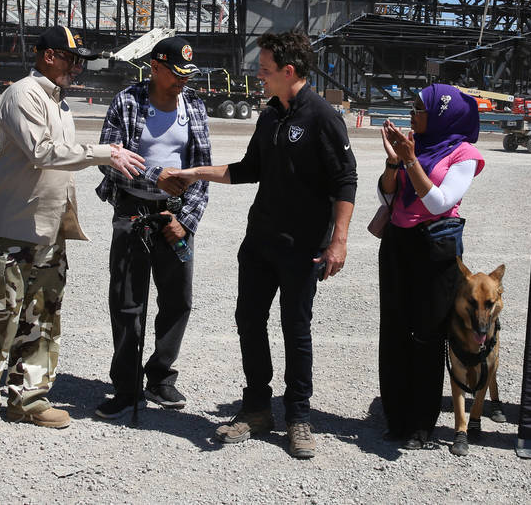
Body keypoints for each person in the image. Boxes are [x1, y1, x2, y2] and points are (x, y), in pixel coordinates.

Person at [0, 25, 145, 444]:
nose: (77, 67)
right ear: (46, 55)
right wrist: (104, 154)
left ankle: (29, 400)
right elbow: (41, 152)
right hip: (10, 230)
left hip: (47, 232)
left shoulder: (58, 103)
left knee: (41, 320)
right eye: (71, 59)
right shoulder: (24, 94)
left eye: (80, 61)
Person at [175, 30, 357, 460]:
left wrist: (339, 241)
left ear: (288, 71)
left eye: (265, 69)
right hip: (259, 244)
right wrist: (194, 173)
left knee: (296, 331)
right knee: (249, 322)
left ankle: (298, 417)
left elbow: (345, 181)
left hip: (301, 248)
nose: (258, 75)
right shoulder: (270, 115)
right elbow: (249, 169)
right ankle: (257, 408)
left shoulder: (322, 117)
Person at [92, 35, 212, 418]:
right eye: (176, 74)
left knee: (178, 301)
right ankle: (127, 388)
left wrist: (186, 220)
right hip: (132, 215)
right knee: (128, 305)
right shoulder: (127, 102)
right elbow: (111, 160)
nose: (183, 82)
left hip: (175, 217)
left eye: (187, 75)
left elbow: (202, 170)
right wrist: (156, 178)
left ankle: (160, 376)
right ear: (155, 67)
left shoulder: (193, 105)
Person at [376, 84, 485, 449]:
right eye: (412, 106)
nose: (412, 113)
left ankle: (422, 423)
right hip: (397, 244)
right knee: (393, 331)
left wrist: (409, 160)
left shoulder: (464, 154)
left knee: (426, 335)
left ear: (442, 113)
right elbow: (387, 195)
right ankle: (395, 416)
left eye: (419, 109)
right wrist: (395, 160)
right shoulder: (414, 143)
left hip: (435, 248)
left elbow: (439, 202)